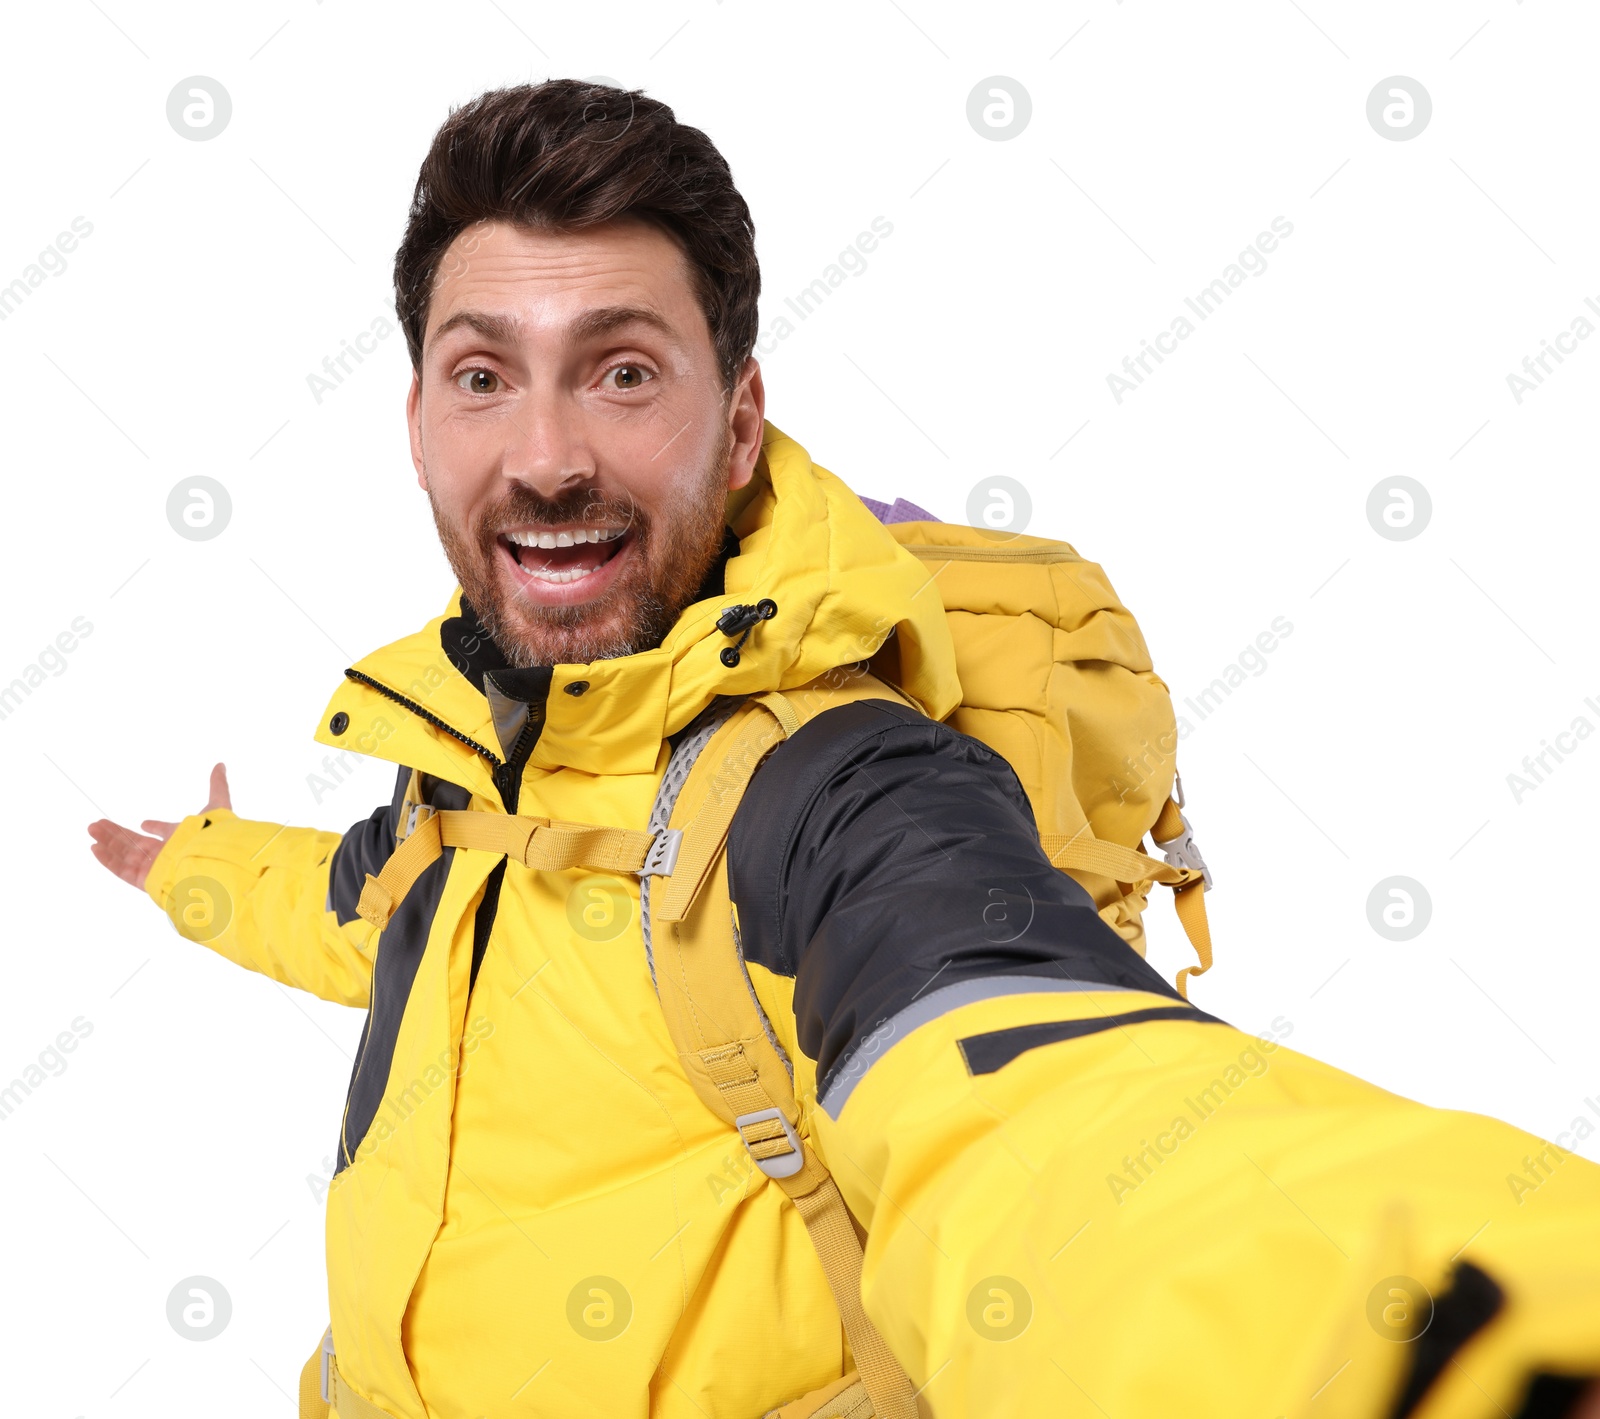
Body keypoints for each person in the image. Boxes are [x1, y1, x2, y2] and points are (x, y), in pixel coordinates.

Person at [88, 79, 1600, 1419]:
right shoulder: (464, 759)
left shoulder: (842, 786)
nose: (546, 456)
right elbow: (368, 903)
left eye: (623, 371)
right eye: (485, 375)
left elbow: (1050, 1117)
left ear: (738, 426)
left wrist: (1465, 1358)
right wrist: (199, 869)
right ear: (420, 418)